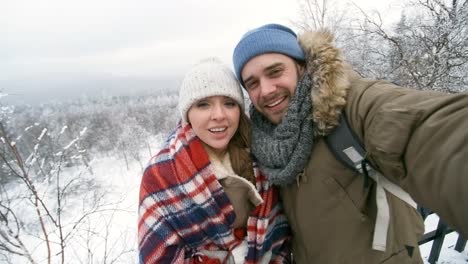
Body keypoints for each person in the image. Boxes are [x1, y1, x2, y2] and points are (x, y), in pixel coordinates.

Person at [232, 23, 468, 263]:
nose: (266, 90)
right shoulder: (263, 145)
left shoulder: (351, 107)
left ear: (301, 67)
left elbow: (424, 128)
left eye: (275, 72)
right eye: (252, 83)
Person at [138, 57, 291, 264]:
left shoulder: (261, 155)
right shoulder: (161, 174)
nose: (219, 115)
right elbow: (158, 256)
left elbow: (280, 236)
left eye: (229, 103)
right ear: (187, 114)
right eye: (203, 105)